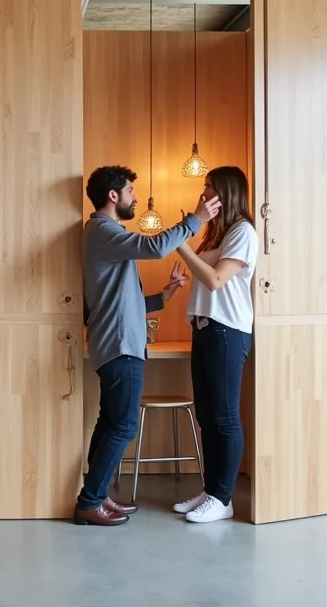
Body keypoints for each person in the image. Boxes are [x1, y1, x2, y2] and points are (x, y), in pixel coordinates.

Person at [75, 165, 219, 526]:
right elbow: (154, 247)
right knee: (123, 425)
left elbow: (120, 298)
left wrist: (162, 297)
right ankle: (89, 501)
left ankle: (98, 496)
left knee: (111, 422)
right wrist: (196, 220)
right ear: (113, 196)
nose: (135, 197)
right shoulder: (102, 230)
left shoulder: (106, 234)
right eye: (130, 191)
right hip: (120, 344)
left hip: (120, 341)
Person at [171, 166, 257, 524]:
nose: (203, 194)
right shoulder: (216, 235)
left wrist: (181, 244)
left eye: (209, 188)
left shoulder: (243, 232)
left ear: (226, 193)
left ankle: (223, 499)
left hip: (227, 331)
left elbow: (217, 279)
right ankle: (212, 492)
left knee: (224, 417)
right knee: (207, 416)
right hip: (205, 328)